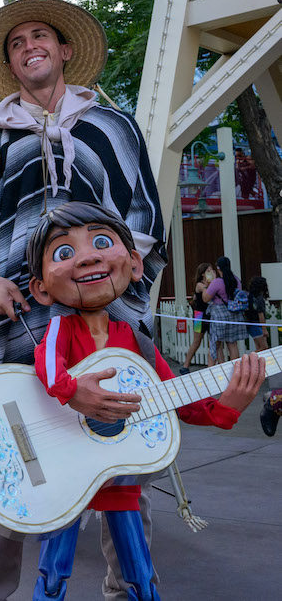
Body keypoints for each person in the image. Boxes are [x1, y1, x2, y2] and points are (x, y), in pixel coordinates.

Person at [0, 0, 166, 601]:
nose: (29, 47)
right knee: (10, 461)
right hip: (16, 314)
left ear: (64, 50)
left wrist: (115, 275)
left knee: (121, 452)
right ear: (10, 64)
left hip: (105, 319)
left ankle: (128, 590)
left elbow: (141, 215)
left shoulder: (113, 128)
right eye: (16, 43)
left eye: (40, 36)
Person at [27, 202, 265, 600]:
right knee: (52, 576)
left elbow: (179, 400)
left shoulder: (138, 343)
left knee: (138, 574)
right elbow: (48, 366)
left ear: (135, 264)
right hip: (66, 470)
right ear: (40, 288)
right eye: (64, 252)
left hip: (121, 475)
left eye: (101, 242)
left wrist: (227, 407)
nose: (87, 258)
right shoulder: (59, 330)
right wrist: (72, 390)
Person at [202, 256, 246, 363]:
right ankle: (235, 369)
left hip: (219, 314)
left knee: (215, 344)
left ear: (218, 268)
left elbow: (205, 298)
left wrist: (206, 286)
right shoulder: (236, 280)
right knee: (232, 344)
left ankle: (211, 369)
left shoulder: (217, 282)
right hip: (234, 313)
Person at [180, 263, 216, 373]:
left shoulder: (213, 284)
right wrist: (209, 284)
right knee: (196, 341)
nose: (211, 273)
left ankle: (211, 366)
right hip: (199, 315)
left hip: (210, 315)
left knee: (212, 341)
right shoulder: (200, 285)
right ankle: (185, 365)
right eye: (208, 271)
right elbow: (207, 293)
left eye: (212, 270)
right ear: (203, 274)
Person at [246, 276, 270, 352]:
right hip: (257, 325)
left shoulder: (250, 296)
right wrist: (264, 329)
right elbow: (260, 314)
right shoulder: (259, 298)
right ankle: (250, 358)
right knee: (264, 347)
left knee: (258, 347)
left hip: (250, 324)